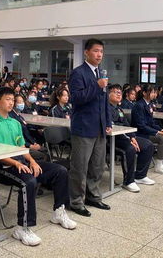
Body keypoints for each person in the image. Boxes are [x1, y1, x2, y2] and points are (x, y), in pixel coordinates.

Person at [0, 87, 76, 246]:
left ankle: (59, 212)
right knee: (29, 182)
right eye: (7, 99)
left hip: (22, 162)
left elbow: (21, 148)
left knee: (59, 171)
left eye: (13, 99)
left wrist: (32, 161)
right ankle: (23, 227)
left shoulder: (15, 123)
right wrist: (16, 163)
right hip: (3, 167)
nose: (11, 102)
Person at [68, 38, 111, 217]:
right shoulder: (78, 73)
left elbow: (104, 101)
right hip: (84, 127)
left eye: (101, 51)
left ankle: (93, 196)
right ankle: (76, 201)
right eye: (95, 50)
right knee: (80, 166)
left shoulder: (101, 73)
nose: (99, 54)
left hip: (100, 127)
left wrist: (108, 122)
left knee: (97, 166)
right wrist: (97, 85)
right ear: (86, 52)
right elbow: (77, 98)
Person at [108, 84, 155, 192]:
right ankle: (128, 181)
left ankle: (140, 176)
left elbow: (127, 125)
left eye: (120, 92)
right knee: (130, 149)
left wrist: (132, 137)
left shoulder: (118, 109)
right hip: (112, 140)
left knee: (148, 145)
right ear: (108, 94)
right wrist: (129, 139)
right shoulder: (105, 108)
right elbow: (113, 128)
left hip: (124, 137)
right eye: (116, 92)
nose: (119, 94)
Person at [131, 85, 163, 176]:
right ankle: (159, 165)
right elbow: (141, 126)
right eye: (151, 92)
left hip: (148, 130)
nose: (154, 94)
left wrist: (162, 130)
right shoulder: (139, 105)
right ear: (144, 93)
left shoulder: (149, 104)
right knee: (162, 138)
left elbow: (152, 123)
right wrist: (158, 132)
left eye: (155, 92)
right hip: (140, 133)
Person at [10, 94, 47, 161]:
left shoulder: (20, 116)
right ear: (14, 103)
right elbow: (17, 137)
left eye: (22, 102)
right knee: (42, 155)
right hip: (22, 145)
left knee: (44, 150)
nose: (22, 104)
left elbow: (26, 133)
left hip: (28, 142)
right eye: (19, 102)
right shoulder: (12, 117)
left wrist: (33, 143)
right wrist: (30, 146)